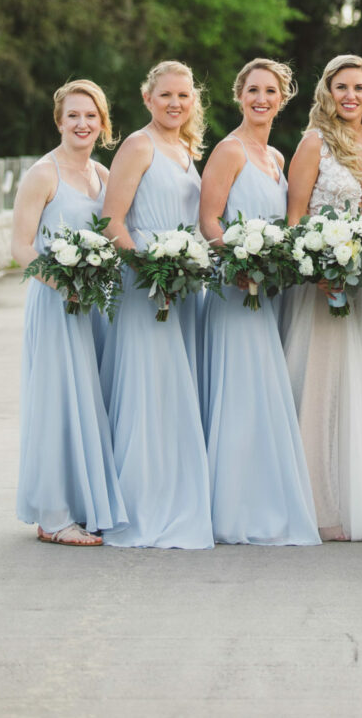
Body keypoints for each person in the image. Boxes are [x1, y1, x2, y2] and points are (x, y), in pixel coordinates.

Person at [281, 55, 362, 541]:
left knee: (359, 389)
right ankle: (316, 503)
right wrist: (316, 272)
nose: (350, 96)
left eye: (359, 87)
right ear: (327, 92)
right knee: (319, 387)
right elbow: (294, 219)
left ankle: (354, 498)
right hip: (321, 282)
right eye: (341, 87)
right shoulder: (313, 142)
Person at [199, 59, 320, 546]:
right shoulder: (229, 151)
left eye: (271, 91)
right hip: (235, 290)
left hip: (268, 293)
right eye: (253, 90)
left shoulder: (276, 156)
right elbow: (209, 220)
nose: (261, 98)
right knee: (241, 396)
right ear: (239, 95)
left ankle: (258, 500)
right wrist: (239, 259)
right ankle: (231, 511)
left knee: (263, 397)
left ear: (283, 98)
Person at [99, 61, 213, 549]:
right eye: (166, 95)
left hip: (182, 284)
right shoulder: (138, 145)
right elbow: (111, 221)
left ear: (194, 101)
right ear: (148, 98)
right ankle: (142, 502)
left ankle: (177, 493)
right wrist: (150, 270)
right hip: (147, 283)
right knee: (148, 389)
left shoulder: (187, 148)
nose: (175, 104)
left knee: (174, 390)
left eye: (183, 97)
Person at [14, 80, 126, 546]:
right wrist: (64, 284)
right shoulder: (44, 174)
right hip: (58, 301)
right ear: (59, 121)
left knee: (89, 399)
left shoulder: (102, 173)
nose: (83, 124)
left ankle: (82, 504)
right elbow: (20, 248)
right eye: (74, 116)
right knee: (59, 400)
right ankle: (54, 516)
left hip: (93, 303)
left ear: (103, 123)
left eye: (91, 116)